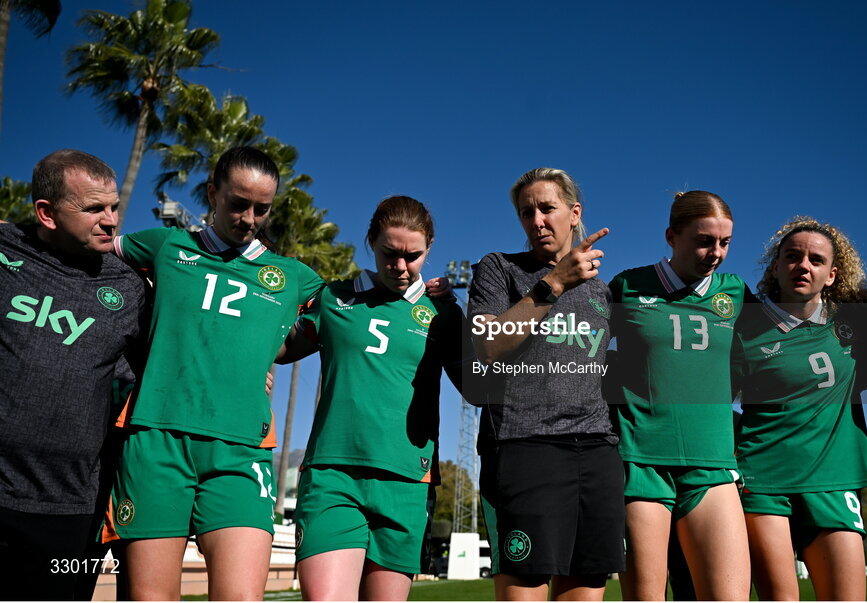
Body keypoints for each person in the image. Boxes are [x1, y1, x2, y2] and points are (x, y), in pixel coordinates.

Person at [101, 146, 324, 600]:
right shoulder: (165, 246)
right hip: (156, 440)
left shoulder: (292, 276)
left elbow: (347, 315)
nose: (249, 217)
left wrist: (274, 350)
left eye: (262, 208)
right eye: (238, 203)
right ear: (211, 193)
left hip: (242, 451)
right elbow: (94, 244)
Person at [277, 195, 469, 600]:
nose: (400, 267)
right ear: (371, 242)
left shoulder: (443, 312)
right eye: (389, 254)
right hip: (334, 475)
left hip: (406, 481)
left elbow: (477, 388)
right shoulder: (333, 299)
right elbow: (277, 349)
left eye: (413, 256)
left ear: (429, 247)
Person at [469, 167, 624, 601]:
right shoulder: (499, 269)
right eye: (525, 212)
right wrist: (554, 283)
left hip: (596, 451)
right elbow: (488, 348)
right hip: (524, 447)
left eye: (547, 208)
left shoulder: (604, 294)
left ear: (574, 214)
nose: (536, 220)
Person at [0, 149, 145, 601]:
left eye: (114, 207)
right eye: (93, 209)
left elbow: (169, 364)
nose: (110, 220)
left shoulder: (131, 287)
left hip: (72, 511)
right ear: (46, 213)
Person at [610, 190, 750, 601]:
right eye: (704, 240)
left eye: (725, 242)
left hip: (712, 464)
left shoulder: (737, 292)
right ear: (671, 236)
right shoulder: (627, 286)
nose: (716, 252)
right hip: (642, 462)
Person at [731, 217, 867, 600]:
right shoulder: (744, 330)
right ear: (775, 266)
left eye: (816, 259)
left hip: (834, 480)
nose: (803, 265)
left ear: (832, 275)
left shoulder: (856, 323)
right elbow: (710, 400)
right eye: (792, 256)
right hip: (762, 483)